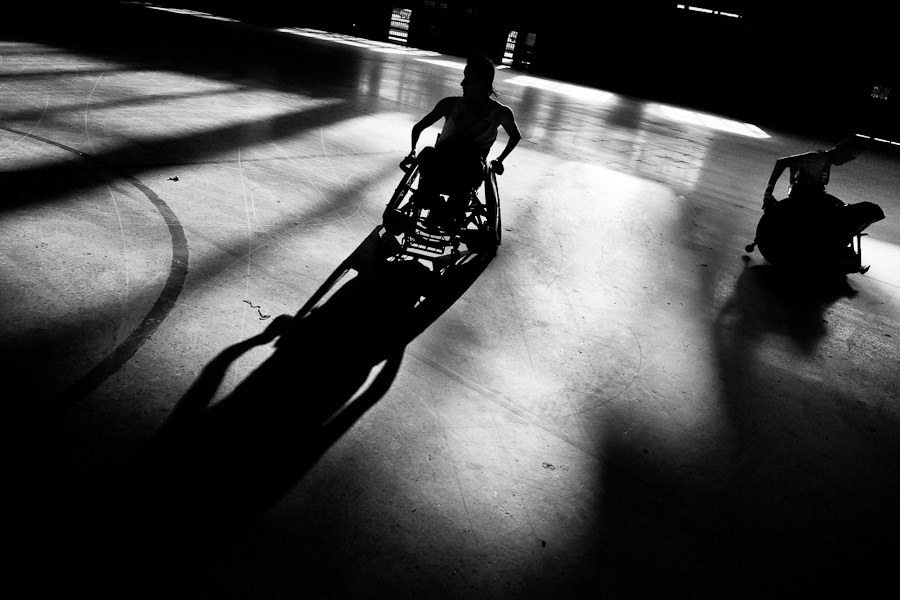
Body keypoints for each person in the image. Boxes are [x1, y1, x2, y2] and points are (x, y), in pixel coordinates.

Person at [407, 55, 521, 229]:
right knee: (428, 153)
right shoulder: (451, 104)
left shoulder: (500, 113)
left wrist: (499, 159)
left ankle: (443, 207)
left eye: (468, 79)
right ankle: (440, 206)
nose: (462, 83)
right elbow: (418, 127)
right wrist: (413, 151)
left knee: (469, 164)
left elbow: (515, 136)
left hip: (469, 166)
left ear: (482, 84)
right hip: (444, 161)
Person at [762, 136, 865, 210]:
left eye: (851, 159)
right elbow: (782, 162)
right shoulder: (816, 158)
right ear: (841, 150)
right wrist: (769, 191)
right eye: (848, 156)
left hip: (812, 199)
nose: (846, 161)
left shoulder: (826, 162)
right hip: (804, 201)